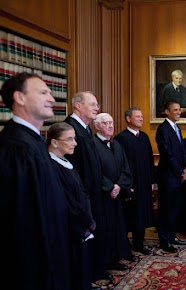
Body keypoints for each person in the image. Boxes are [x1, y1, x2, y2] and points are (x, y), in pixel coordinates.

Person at [0, 72, 71, 289]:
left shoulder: (33, 140)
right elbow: (22, 217)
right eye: (43, 92)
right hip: (34, 263)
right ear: (19, 98)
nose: (52, 98)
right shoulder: (17, 146)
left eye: (50, 92)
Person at [64, 92, 110, 283]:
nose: (97, 108)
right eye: (93, 104)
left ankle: (94, 271)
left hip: (93, 192)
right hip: (81, 196)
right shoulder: (70, 129)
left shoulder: (85, 129)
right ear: (78, 106)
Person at [47, 122, 96, 290]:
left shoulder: (65, 162)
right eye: (69, 139)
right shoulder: (52, 167)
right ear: (54, 142)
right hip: (68, 227)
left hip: (79, 222)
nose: (75, 143)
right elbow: (67, 201)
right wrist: (85, 220)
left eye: (74, 138)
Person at [93, 113, 133, 271]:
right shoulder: (92, 145)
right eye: (105, 123)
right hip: (103, 196)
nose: (110, 126)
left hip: (117, 195)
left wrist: (118, 186)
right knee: (105, 229)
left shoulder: (116, 144)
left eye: (111, 122)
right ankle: (104, 261)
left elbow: (126, 169)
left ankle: (116, 258)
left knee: (117, 228)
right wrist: (110, 187)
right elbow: (94, 171)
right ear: (97, 126)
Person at [114, 107, 155, 255]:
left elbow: (150, 159)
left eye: (142, 116)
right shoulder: (121, 139)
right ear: (128, 118)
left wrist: (151, 180)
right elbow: (119, 164)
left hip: (144, 182)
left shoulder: (144, 137)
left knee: (142, 214)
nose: (141, 119)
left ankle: (139, 244)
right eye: (137, 116)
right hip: (129, 184)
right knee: (128, 215)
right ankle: (124, 246)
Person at [155, 101, 186, 252]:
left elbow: (182, 150)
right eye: (175, 110)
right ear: (167, 112)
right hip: (168, 176)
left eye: (179, 110)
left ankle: (172, 236)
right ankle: (164, 241)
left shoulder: (177, 128)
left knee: (175, 208)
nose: (178, 112)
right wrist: (179, 172)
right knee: (166, 208)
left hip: (178, 176)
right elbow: (167, 154)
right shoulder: (163, 129)